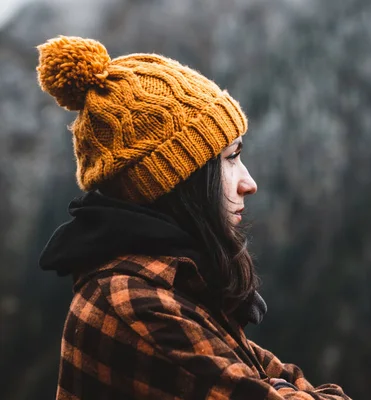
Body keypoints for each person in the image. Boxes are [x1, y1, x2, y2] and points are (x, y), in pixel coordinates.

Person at [36, 36, 350, 400]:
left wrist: (276, 384)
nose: (250, 183)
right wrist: (279, 388)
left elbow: (271, 375)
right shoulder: (137, 306)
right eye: (231, 158)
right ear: (178, 180)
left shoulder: (177, 285)